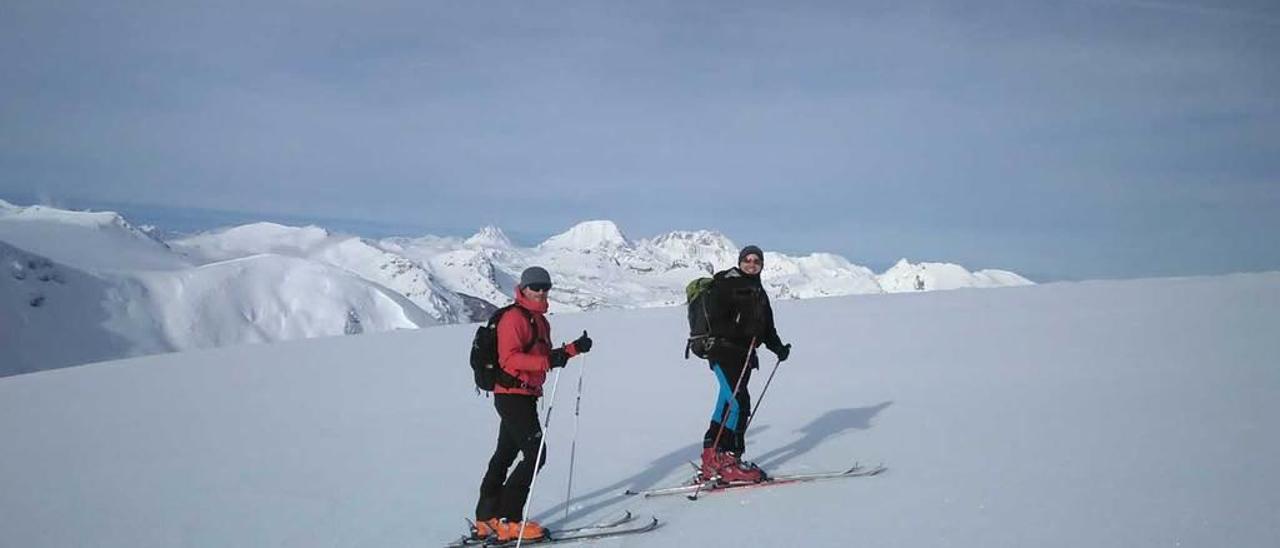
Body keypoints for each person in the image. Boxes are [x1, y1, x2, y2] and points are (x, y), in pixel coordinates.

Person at [473, 266, 592, 543]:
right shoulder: (514, 318)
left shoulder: (538, 320)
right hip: (512, 395)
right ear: (523, 289)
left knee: (504, 455)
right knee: (536, 453)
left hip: (524, 395)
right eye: (535, 287)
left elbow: (540, 355)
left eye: (545, 287)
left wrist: (572, 349)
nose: (540, 292)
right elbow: (510, 360)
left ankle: (486, 519)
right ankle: (509, 520)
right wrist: (548, 361)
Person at [699, 245, 791, 483]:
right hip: (722, 352)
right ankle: (729, 459)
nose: (751, 264)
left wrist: (778, 348)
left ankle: (712, 456)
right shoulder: (726, 284)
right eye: (747, 260)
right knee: (739, 403)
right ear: (740, 262)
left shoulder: (758, 290)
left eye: (756, 261)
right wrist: (742, 330)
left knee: (727, 403)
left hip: (744, 356)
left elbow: (767, 328)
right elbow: (717, 321)